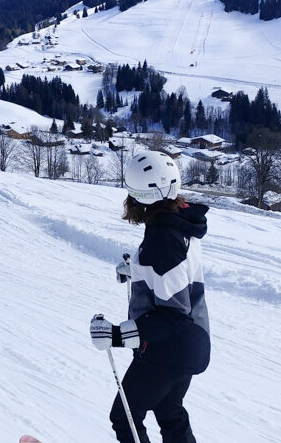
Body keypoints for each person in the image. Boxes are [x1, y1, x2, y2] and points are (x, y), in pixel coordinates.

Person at [90, 151, 211, 443]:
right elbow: (174, 276)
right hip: (192, 343)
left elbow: (173, 315)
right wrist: (137, 271)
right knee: (169, 411)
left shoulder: (163, 238)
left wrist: (117, 335)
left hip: (170, 347)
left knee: (125, 418)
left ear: (138, 196)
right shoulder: (181, 221)